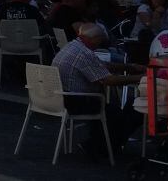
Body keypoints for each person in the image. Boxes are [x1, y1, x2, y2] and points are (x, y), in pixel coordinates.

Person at [52, 23, 144, 158]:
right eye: (100, 40)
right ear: (94, 39)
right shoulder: (84, 54)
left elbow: (100, 65)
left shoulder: (72, 46)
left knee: (116, 110)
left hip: (61, 96)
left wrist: (130, 67)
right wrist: (139, 78)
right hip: (75, 100)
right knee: (124, 112)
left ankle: (98, 145)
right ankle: (101, 147)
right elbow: (107, 80)